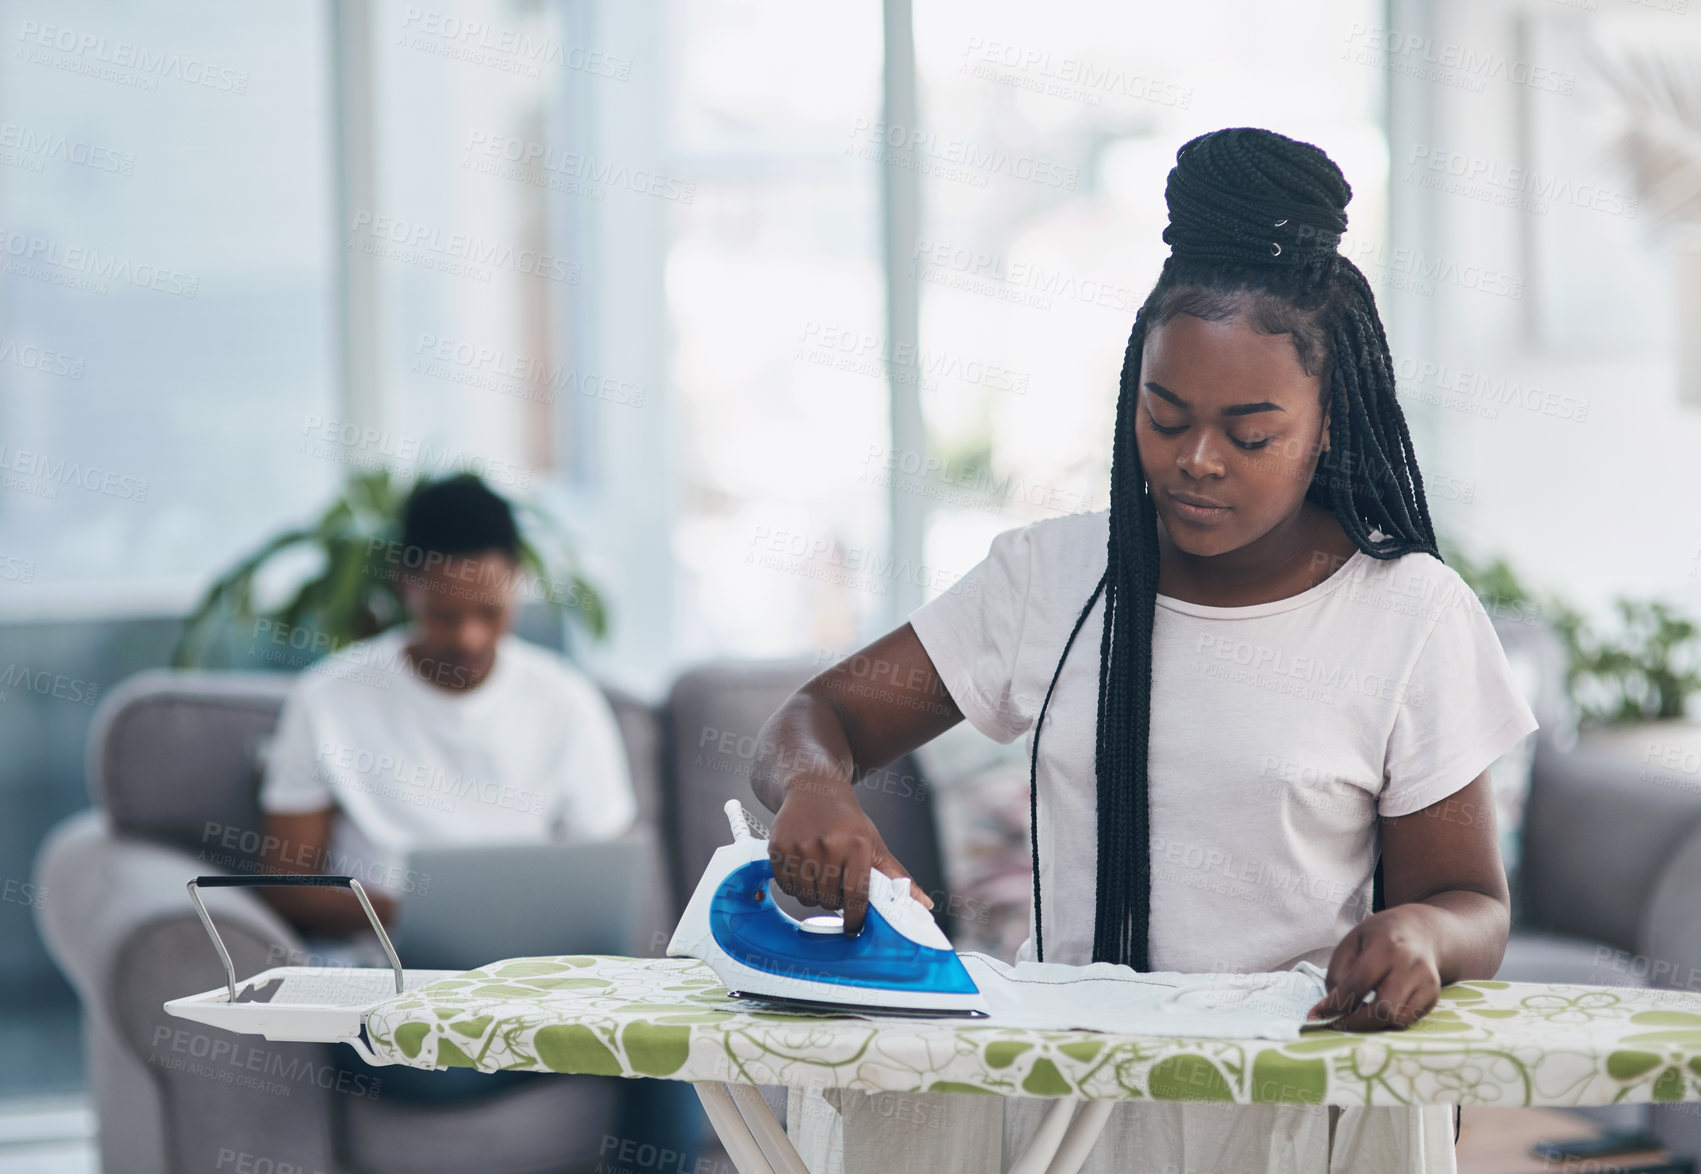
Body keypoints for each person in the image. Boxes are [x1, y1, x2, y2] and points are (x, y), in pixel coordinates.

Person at [751, 127, 1538, 1173]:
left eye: (1249, 434)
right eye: (1164, 418)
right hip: (1072, 1111)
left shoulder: (1411, 616)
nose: (1196, 462)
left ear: (1329, 423)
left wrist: (1428, 941)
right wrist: (813, 787)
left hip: (1299, 1112)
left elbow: (1471, 903)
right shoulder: (1047, 579)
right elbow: (818, 720)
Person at [256, 472, 638, 937]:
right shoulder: (325, 699)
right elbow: (287, 885)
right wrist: (430, 916)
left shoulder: (568, 700)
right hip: (383, 968)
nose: (468, 638)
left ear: (518, 583)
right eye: (445, 616)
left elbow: (603, 878)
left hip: (531, 971)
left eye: (490, 613)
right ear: (406, 587)